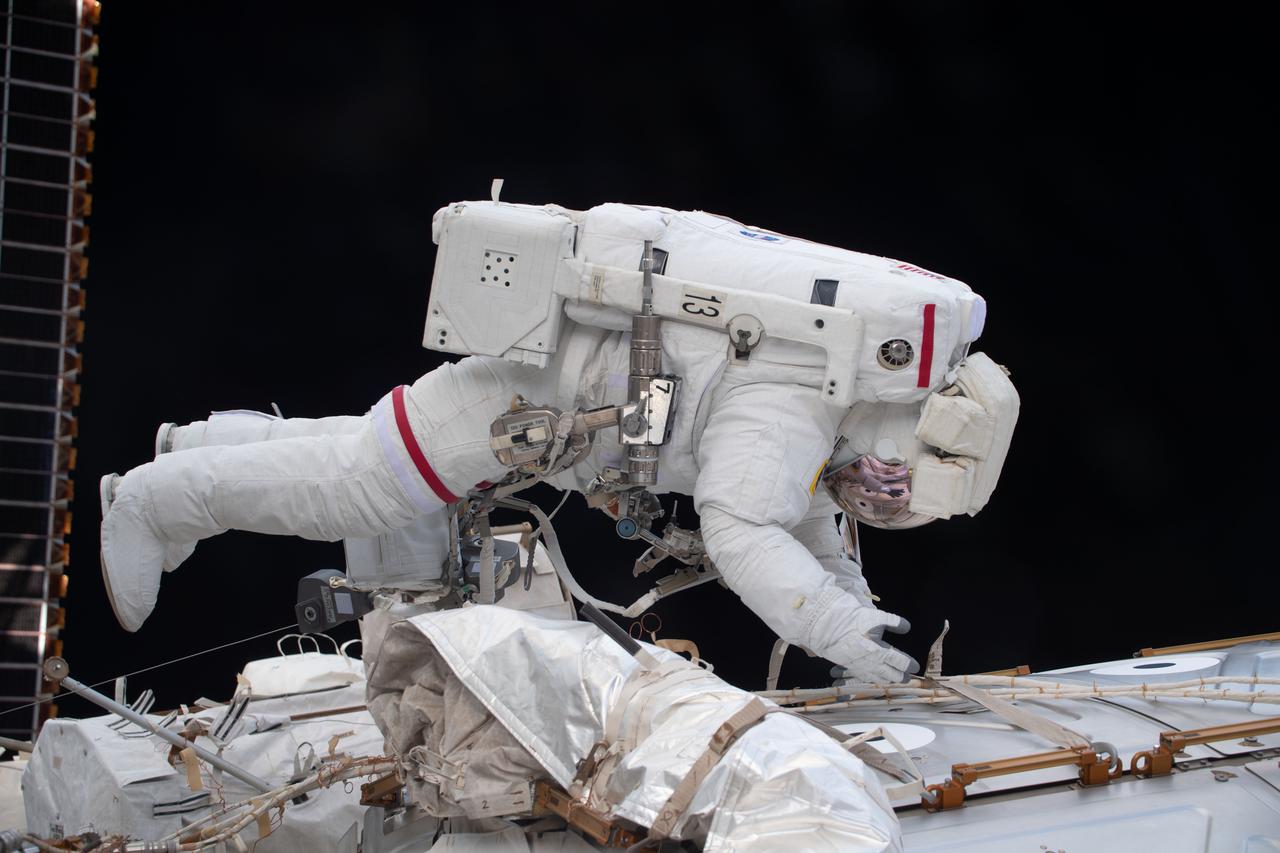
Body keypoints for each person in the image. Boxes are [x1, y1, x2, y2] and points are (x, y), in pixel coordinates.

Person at [100, 201, 1018, 684]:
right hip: (529, 397)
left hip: (552, 421)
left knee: (369, 460)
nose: (875, 502)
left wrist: (869, 647)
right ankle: (155, 499)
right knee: (364, 490)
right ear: (901, 441)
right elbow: (746, 533)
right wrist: (838, 629)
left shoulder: (836, 427)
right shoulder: (794, 411)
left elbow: (812, 532)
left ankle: (201, 451)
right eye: (891, 491)